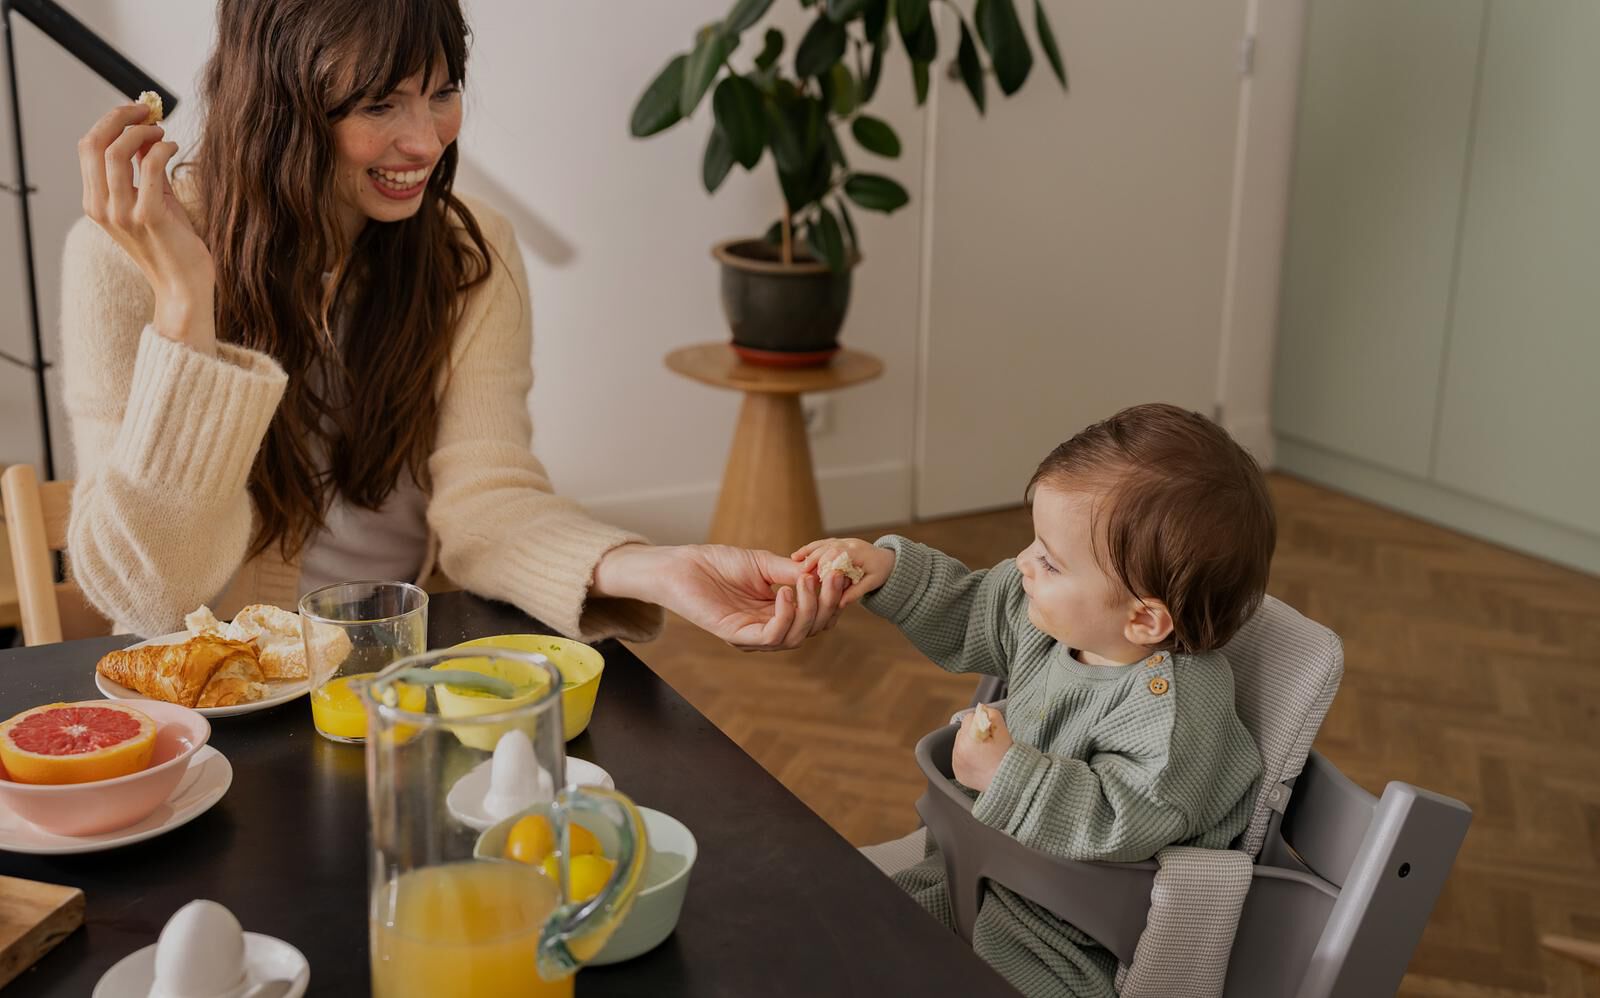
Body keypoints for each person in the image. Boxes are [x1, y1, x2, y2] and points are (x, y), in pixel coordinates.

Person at [60, 0, 827, 649]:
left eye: (442, 91)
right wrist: (186, 310)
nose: (426, 141)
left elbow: (486, 495)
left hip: (406, 667)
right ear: (277, 103)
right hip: (231, 693)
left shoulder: (472, 250)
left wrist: (653, 566)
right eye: (379, 103)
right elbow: (150, 595)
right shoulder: (129, 251)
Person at [793, 403, 1272, 998]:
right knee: (839, 932)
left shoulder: (1173, 712)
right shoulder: (1057, 623)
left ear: (1143, 618)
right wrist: (888, 570)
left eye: (1048, 559)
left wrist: (1006, 775)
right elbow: (972, 606)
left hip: (1064, 936)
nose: (1022, 562)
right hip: (970, 873)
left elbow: (1121, 820)